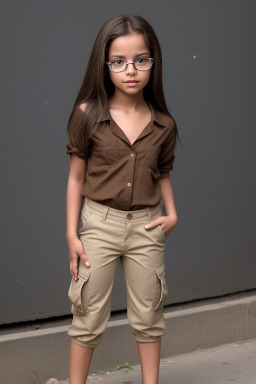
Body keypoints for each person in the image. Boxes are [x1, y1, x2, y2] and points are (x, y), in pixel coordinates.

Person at [66, 14, 179, 384]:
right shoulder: (87, 115)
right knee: (88, 312)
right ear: (104, 64)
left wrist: (172, 214)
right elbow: (76, 178)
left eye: (141, 60)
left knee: (149, 315)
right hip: (99, 225)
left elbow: (162, 172)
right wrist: (73, 234)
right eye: (118, 62)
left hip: (147, 226)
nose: (131, 71)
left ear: (153, 62)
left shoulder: (163, 123)